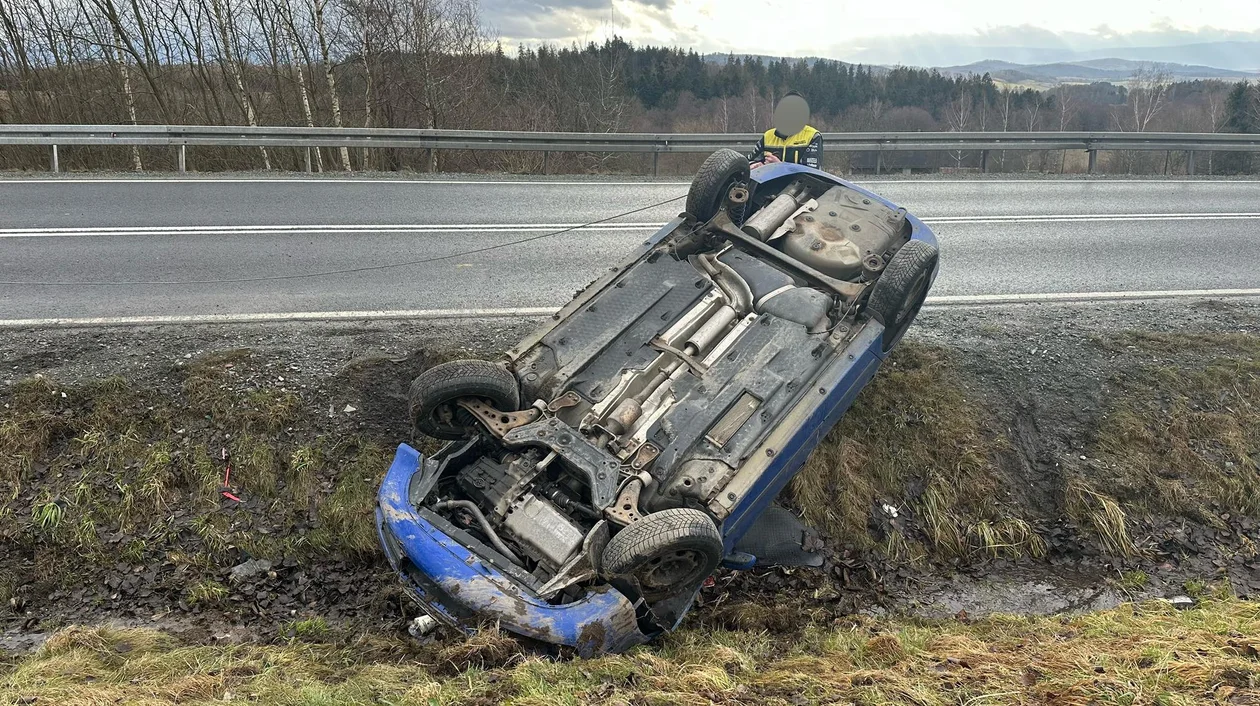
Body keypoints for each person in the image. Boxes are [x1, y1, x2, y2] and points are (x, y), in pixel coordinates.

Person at [749, 92, 822, 170]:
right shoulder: (768, 135)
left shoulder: (812, 136)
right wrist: (755, 165)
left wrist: (780, 167)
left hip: (797, 182)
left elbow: (811, 173)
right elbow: (749, 161)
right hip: (769, 182)